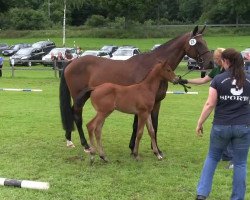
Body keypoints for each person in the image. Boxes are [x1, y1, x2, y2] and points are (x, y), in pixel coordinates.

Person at [195, 48, 250, 200]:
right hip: (243, 127)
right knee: (240, 164)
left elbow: (209, 104)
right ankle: (237, 197)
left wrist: (200, 123)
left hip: (221, 126)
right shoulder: (249, 79)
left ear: (227, 61)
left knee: (212, 158)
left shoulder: (218, 80)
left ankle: (202, 194)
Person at [179, 48, 234, 167]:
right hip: (220, 104)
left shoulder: (232, 71)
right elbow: (203, 80)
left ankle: (233, 159)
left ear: (222, 59)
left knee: (228, 129)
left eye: (216, 58)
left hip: (230, 104)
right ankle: (226, 155)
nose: (214, 60)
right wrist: (185, 80)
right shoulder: (217, 70)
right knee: (222, 129)